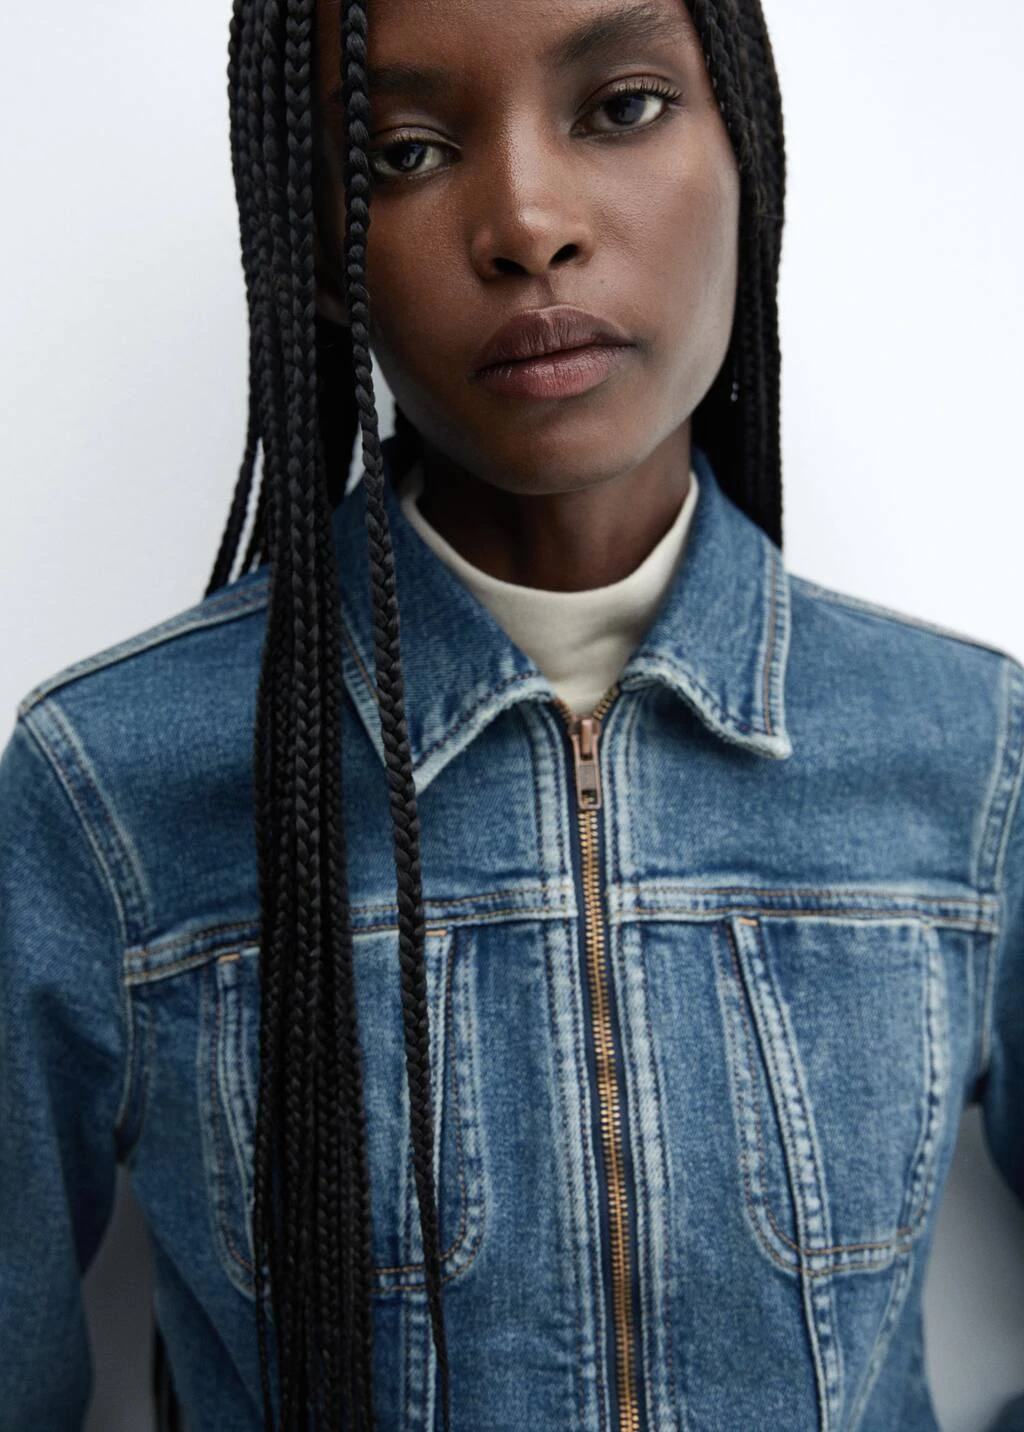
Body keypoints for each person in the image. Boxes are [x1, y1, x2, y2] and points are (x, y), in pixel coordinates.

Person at [0, 0, 1021, 1428]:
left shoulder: (973, 752)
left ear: (749, 149)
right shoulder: (109, 790)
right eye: (405, 152)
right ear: (322, 256)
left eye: (622, 107)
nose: (530, 224)